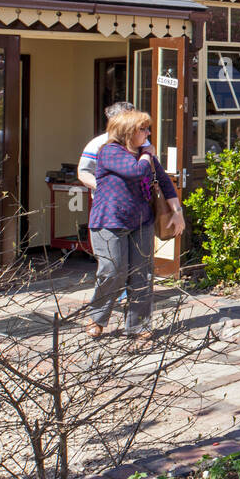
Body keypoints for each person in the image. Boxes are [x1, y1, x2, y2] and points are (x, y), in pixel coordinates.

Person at [85, 109, 181, 340]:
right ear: (128, 131)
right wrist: (148, 155)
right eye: (143, 129)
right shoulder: (109, 151)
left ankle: (139, 326)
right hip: (109, 222)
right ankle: (97, 318)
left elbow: (166, 184)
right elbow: (134, 171)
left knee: (142, 275)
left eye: (148, 128)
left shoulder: (144, 154)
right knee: (113, 271)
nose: (148, 133)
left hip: (141, 222)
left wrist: (177, 212)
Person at [79, 100, 184, 233]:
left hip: (141, 216)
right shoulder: (102, 146)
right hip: (112, 216)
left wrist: (177, 210)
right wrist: (106, 189)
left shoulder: (142, 144)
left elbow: (160, 177)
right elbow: (83, 172)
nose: (146, 132)